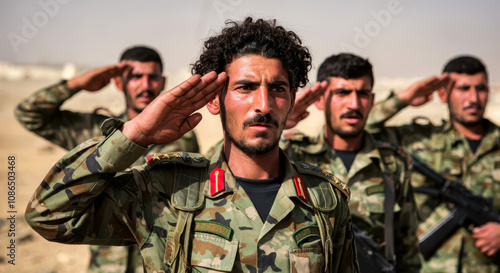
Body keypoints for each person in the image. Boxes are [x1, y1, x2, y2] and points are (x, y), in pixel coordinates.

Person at [25, 17, 359, 272]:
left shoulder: (325, 201)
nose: (264, 104)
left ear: (291, 100)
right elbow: (49, 216)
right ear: (214, 100)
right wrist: (136, 133)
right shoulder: (167, 191)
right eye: (245, 87)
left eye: (278, 89)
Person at [15, 46, 200, 273]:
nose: (145, 85)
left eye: (152, 77)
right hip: (107, 265)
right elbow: (29, 114)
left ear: (162, 82)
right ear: (119, 83)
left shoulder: (184, 136)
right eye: (135, 77)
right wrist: (77, 84)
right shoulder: (97, 130)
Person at [281, 53, 421, 272]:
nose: (354, 104)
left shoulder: (392, 164)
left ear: (372, 100)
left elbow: (408, 251)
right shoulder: (291, 154)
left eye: (363, 94)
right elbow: (228, 163)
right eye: (342, 93)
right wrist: (281, 121)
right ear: (320, 99)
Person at [366, 55, 500, 272]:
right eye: (463, 88)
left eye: (481, 89)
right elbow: (359, 128)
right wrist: (404, 99)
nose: (473, 98)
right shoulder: (419, 140)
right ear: (443, 94)